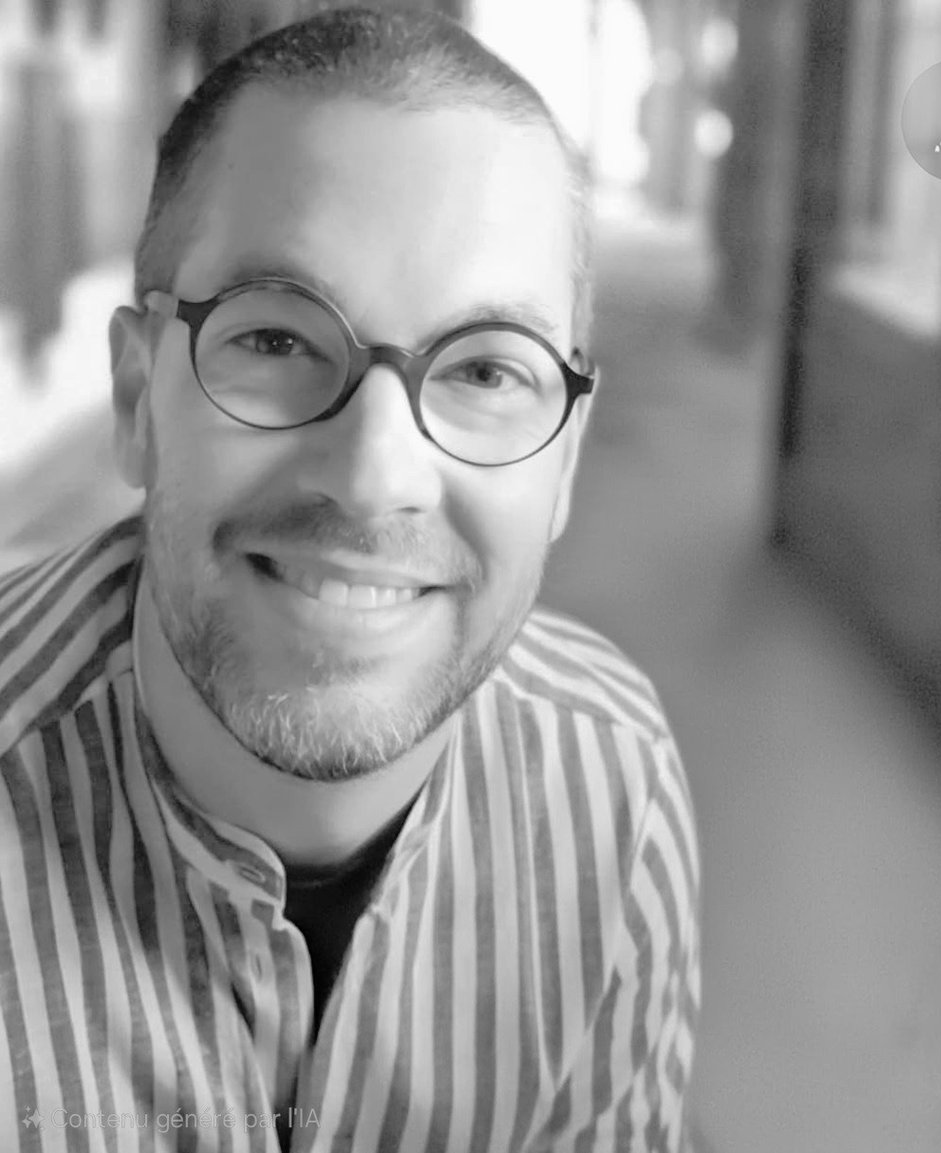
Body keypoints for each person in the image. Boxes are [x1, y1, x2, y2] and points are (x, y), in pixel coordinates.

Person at [0, 7, 700, 1150]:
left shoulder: (611, 786)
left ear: (564, 462)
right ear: (137, 400)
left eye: (485, 370)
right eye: (275, 340)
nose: (375, 478)